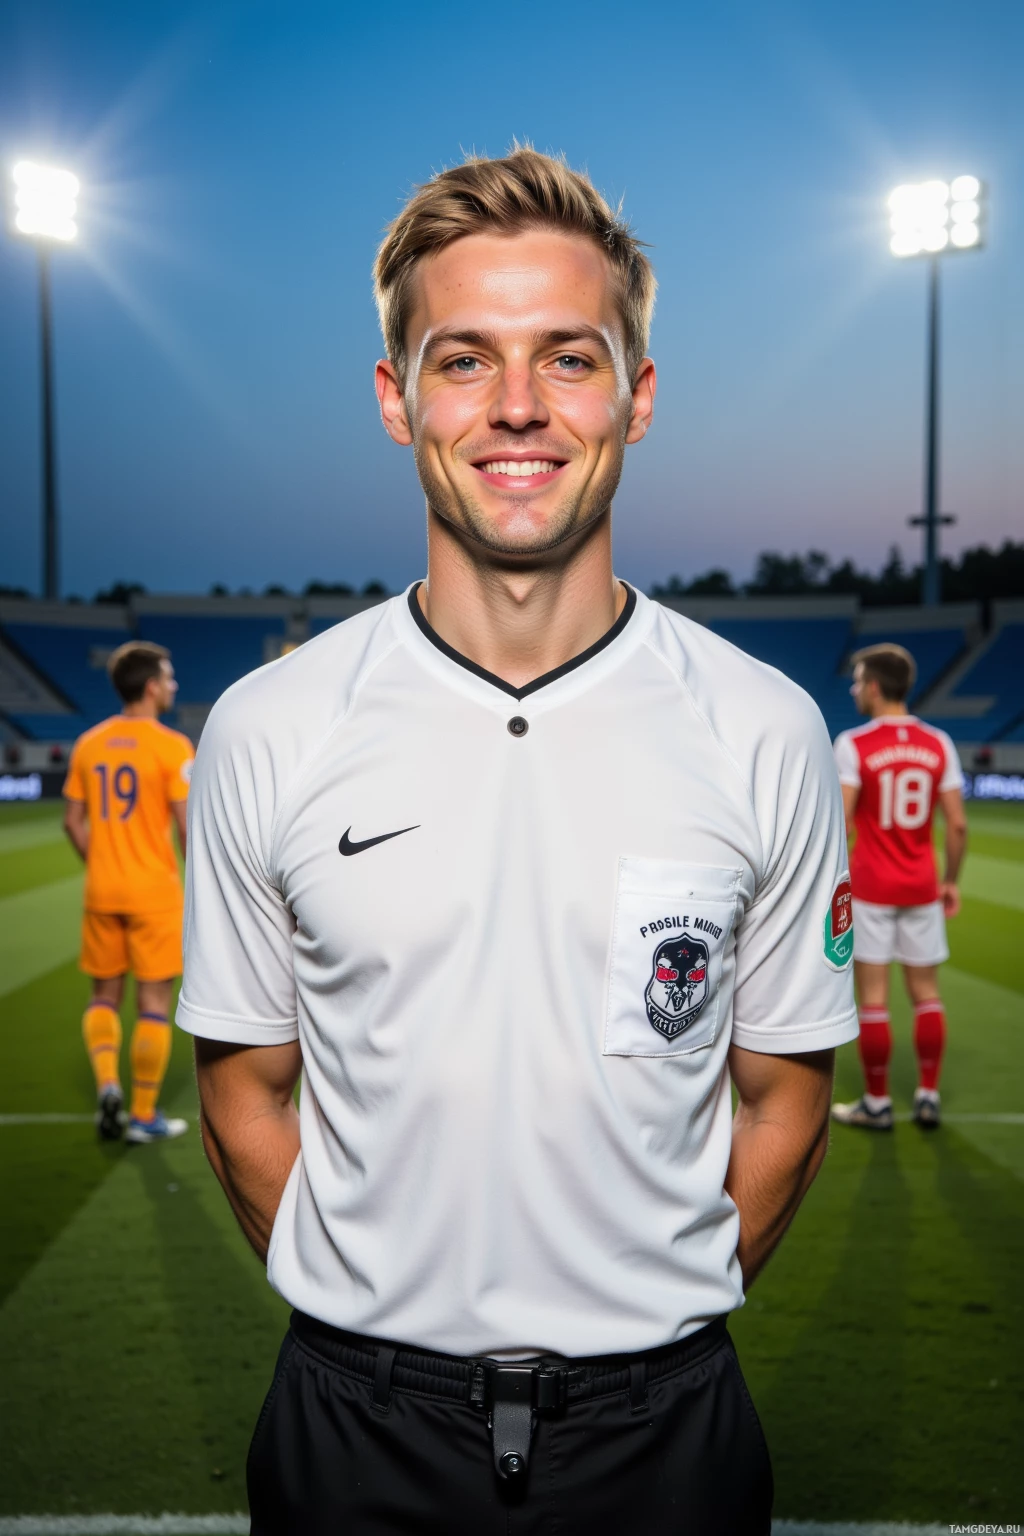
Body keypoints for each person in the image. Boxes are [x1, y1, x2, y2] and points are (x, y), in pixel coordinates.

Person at [177, 147, 858, 1535]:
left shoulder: (764, 728)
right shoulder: (270, 726)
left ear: (639, 396)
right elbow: (244, 1088)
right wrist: (380, 1331)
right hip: (348, 1435)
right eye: (464, 360)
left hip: (667, 1438)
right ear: (396, 400)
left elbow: (786, 1101)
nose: (520, 409)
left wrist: (646, 1319)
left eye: (570, 357)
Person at [831, 643, 967, 1132]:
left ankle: (877, 1102)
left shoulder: (852, 743)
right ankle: (927, 1095)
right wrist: (950, 881)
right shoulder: (938, 743)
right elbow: (956, 826)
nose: (853, 690)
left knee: (873, 998)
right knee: (926, 994)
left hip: (870, 888)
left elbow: (841, 822)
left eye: (857, 681)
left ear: (872, 686)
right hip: (921, 887)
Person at [64, 640, 193, 1144]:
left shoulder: (89, 743)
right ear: (150, 686)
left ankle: (108, 1085)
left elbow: (72, 821)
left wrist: (98, 861)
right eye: (168, 676)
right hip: (153, 894)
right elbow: (188, 829)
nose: (174, 684)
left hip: (103, 890)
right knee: (154, 1004)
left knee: (103, 997)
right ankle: (142, 1115)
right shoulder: (173, 747)